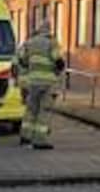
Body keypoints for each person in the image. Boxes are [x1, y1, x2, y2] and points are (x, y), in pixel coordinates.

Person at [15, 19, 64, 149]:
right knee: (44, 110)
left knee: (31, 109)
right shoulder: (51, 43)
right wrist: (57, 72)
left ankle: (25, 136)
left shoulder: (30, 42)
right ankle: (40, 140)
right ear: (49, 30)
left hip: (32, 83)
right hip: (48, 83)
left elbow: (21, 60)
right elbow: (59, 61)